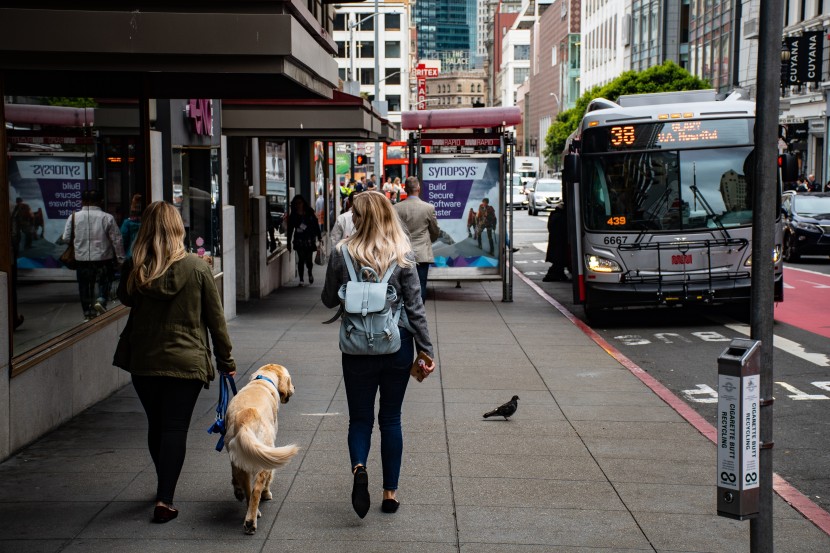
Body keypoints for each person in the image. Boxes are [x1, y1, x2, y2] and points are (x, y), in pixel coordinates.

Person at [115, 201, 236, 524]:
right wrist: (226, 359)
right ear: (178, 229)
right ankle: (164, 499)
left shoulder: (136, 268)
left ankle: (162, 487)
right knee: (174, 427)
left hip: (144, 360)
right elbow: (215, 319)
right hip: (186, 363)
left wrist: (137, 262)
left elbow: (124, 298)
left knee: (158, 424)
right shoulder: (197, 269)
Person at [321, 191, 436, 518]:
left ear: (359, 218)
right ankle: (390, 493)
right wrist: (425, 350)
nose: (352, 218)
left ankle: (359, 468)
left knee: (359, 419)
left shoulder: (341, 253)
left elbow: (329, 299)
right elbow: (416, 309)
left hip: (356, 349)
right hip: (396, 345)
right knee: (391, 418)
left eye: (355, 214)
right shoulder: (403, 255)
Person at [62, 189, 125, 320]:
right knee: (104, 281)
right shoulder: (107, 217)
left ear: (82, 201)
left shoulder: (74, 217)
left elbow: (66, 238)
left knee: (84, 285)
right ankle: (101, 300)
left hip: (82, 258)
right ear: (100, 201)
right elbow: (117, 240)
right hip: (103, 258)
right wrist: (120, 259)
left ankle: (87, 312)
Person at [394, 176, 440, 302]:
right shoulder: (428, 208)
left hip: (402, 253)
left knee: (403, 286)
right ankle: (419, 314)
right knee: (420, 286)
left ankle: (404, 315)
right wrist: (429, 241)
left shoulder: (397, 208)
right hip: (421, 254)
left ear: (404, 188)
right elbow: (435, 231)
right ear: (418, 188)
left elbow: (393, 231)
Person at [286, 194, 322, 286]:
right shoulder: (293, 215)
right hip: (299, 239)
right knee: (301, 258)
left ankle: (310, 272)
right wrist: (288, 243)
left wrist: (319, 236)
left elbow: (315, 224)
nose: (298, 205)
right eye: (296, 203)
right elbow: (290, 230)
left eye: (300, 203)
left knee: (309, 260)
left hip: (309, 238)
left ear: (303, 203)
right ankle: (301, 279)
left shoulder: (309, 212)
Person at [543, 200, 569, 282]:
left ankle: (558, 274)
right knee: (559, 260)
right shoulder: (560, 217)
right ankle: (554, 275)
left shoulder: (553, 215)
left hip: (555, 241)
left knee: (558, 261)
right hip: (559, 242)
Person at [120, 194, 143, 259]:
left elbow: (123, 240)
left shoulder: (128, 222)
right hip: (146, 255)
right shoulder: (149, 222)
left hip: (131, 255)